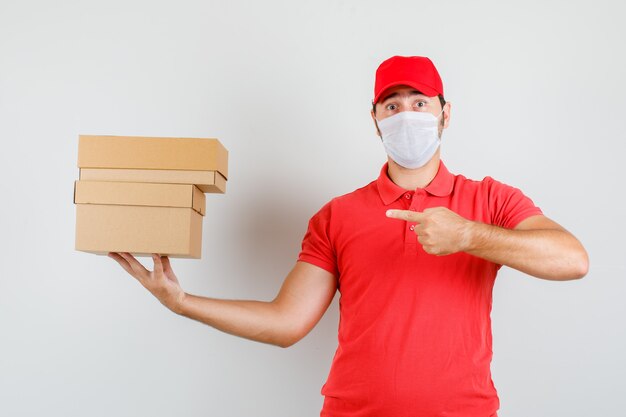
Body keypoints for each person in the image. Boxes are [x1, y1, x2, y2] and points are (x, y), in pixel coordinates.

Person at [109, 55, 589, 417]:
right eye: (392, 105)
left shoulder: (489, 201)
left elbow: (571, 260)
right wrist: (181, 302)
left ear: (446, 114)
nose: (407, 115)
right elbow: (286, 323)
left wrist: (468, 235)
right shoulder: (338, 216)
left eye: (420, 103)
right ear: (376, 118)